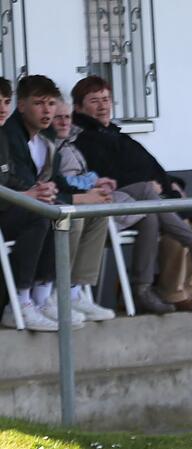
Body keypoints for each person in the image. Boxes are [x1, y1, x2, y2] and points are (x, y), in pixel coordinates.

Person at [70, 76, 192, 314]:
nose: (103, 106)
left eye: (106, 99)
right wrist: (149, 186)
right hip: (122, 203)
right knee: (175, 219)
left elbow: (152, 166)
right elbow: (107, 176)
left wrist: (172, 185)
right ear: (78, 108)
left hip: (152, 196)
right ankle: (172, 289)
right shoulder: (84, 140)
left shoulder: (117, 135)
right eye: (94, 101)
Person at [2, 75, 116, 329]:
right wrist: (77, 197)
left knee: (98, 211)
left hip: (34, 207)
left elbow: (53, 182)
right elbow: (20, 186)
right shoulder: (9, 136)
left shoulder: (47, 138)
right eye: (39, 103)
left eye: (51, 104)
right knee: (55, 216)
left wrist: (89, 187)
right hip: (12, 211)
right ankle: (26, 299)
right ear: (21, 106)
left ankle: (72, 291)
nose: (47, 111)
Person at [0, 77, 61, 331]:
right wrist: (28, 195)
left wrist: (35, 191)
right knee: (39, 215)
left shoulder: (2, 134)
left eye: (5, 101)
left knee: (56, 214)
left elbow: (5, 177)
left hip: (7, 208)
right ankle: (20, 304)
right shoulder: (9, 134)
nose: (3, 108)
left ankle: (42, 296)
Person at [52, 98, 117, 321]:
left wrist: (94, 183)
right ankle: (57, 291)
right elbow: (61, 182)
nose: (63, 122)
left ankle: (75, 291)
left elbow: (76, 176)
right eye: (57, 117)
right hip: (49, 208)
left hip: (69, 200)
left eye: (66, 117)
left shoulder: (71, 141)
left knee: (100, 213)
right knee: (74, 218)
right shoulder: (48, 144)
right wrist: (86, 192)